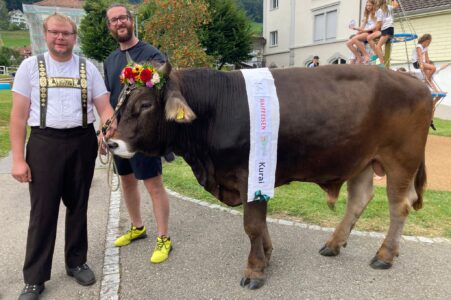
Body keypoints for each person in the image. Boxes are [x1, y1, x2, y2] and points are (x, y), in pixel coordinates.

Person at [10, 13, 115, 300]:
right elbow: (18, 118)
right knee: (43, 212)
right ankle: (34, 278)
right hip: (45, 142)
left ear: (74, 36)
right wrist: (18, 159)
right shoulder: (30, 67)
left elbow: (105, 108)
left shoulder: (88, 69)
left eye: (66, 33)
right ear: (46, 34)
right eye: (55, 32)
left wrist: (106, 130)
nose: (60, 38)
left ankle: (76, 262)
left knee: (78, 205)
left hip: (82, 141)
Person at [103, 3, 173, 264]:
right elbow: (109, 99)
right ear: (110, 27)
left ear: (131, 21)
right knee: (127, 181)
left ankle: (164, 237)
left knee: (153, 184)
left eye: (123, 18)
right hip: (119, 134)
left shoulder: (152, 54)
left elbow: (161, 95)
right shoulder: (109, 61)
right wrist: (106, 128)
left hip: (143, 135)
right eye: (114, 20)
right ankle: (137, 227)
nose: (119, 23)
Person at [367, 0, 399, 67]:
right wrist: (393, 0)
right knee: (371, 38)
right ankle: (376, 54)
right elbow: (396, 5)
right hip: (387, 29)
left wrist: (375, 31)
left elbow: (379, 23)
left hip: (386, 30)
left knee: (378, 46)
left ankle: (382, 63)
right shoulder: (389, 7)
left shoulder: (379, 11)